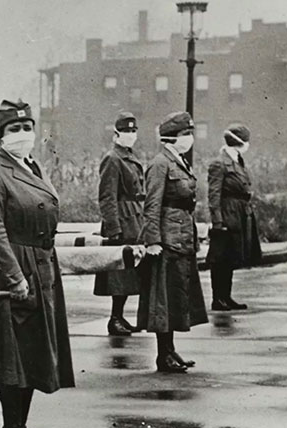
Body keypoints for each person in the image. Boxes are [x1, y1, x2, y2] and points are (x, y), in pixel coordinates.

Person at [0, 99, 74, 428]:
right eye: (14, 128)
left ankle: (22, 425)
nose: (23, 133)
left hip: (41, 264)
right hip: (12, 267)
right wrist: (15, 277)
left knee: (34, 351)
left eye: (27, 127)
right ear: (1, 134)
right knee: (12, 355)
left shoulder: (33, 167)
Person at [138, 112, 208, 374]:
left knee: (175, 297)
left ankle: (169, 350)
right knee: (163, 299)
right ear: (171, 137)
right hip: (167, 240)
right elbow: (152, 204)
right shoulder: (160, 164)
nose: (189, 138)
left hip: (181, 236)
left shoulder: (178, 161)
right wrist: (153, 240)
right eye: (185, 134)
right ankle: (163, 354)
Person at [94, 112, 145, 336]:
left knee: (128, 274)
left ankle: (120, 317)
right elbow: (107, 196)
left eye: (133, 131)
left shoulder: (128, 156)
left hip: (134, 219)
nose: (130, 135)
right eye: (126, 131)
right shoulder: (113, 159)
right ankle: (114, 318)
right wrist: (113, 228)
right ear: (116, 134)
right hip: (122, 220)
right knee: (119, 275)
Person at [206, 125, 261, 311]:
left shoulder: (237, 160)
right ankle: (218, 298)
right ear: (240, 142)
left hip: (239, 213)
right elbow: (214, 195)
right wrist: (218, 221)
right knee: (221, 258)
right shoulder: (219, 163)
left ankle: (226, 296)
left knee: (230, 257)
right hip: (227, 212)